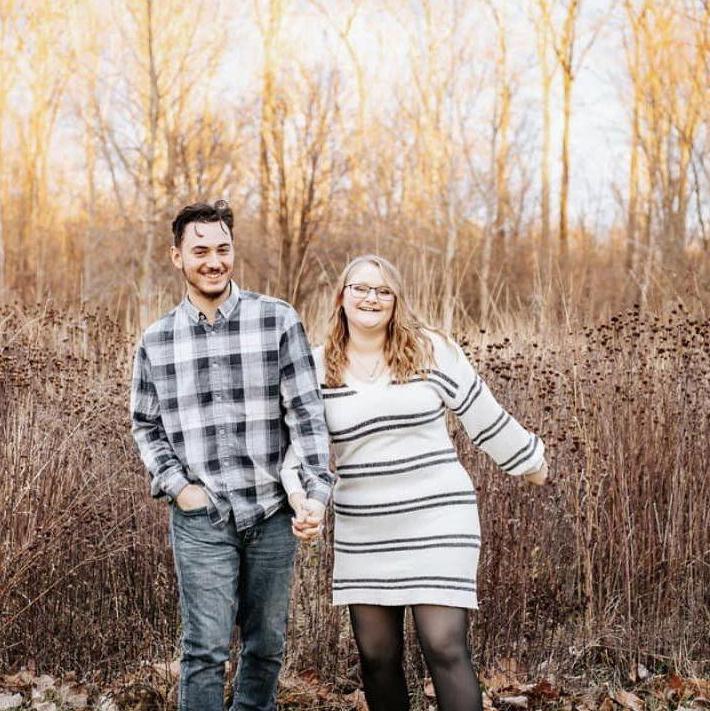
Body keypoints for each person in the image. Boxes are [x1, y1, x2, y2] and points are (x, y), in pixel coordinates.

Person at [283, 254, 548, 711]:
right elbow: (300, 452)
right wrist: (302, 500)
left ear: (396, 301)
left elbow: (482, 414)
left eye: (383, 290)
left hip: (438, 518)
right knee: (377, 657)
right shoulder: (315, 367)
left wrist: (530, 461)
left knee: (444, 646)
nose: (371, 298)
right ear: (341, 296)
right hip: (365, 528)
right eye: (361, 288)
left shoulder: (431, 350)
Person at [130, 200, 333, 711]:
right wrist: (180, 488)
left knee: (265, 647)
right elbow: (146, 425)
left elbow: (306, 415)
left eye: (222, 249)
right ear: (177, 256)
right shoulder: (156, 340)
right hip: (202, 519)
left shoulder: (277, 320)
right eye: (200, 251)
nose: (213, 261)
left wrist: (315, 494)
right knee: (204, 651)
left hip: (271, 513)